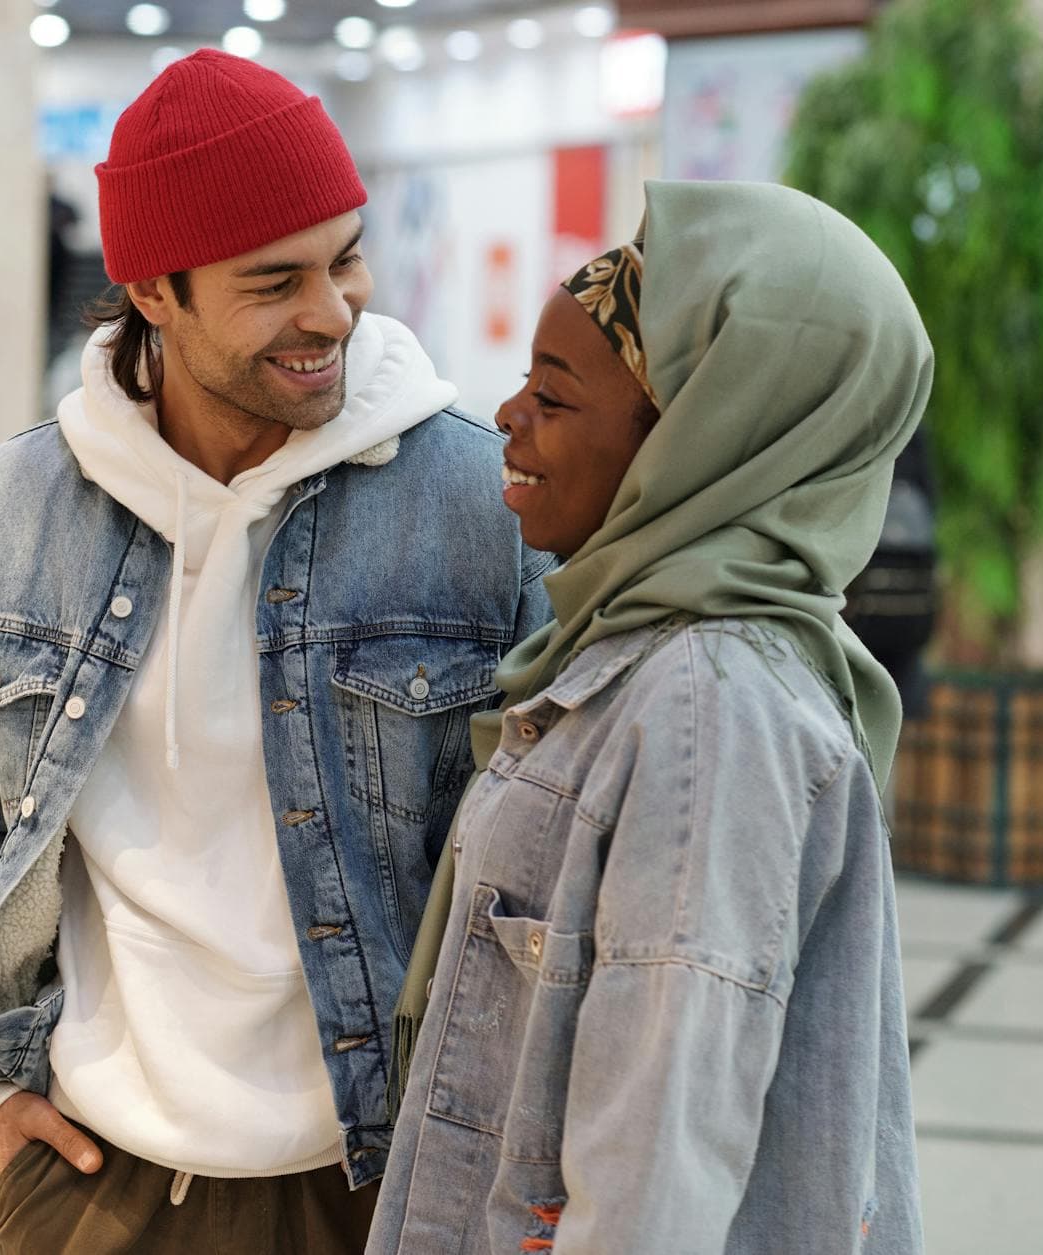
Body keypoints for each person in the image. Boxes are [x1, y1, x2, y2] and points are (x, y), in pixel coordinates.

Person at [0, 49, 552, 1255]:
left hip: (387, 1177)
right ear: (155, 290)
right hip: (98, 1183)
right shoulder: (23, 504)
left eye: (343, 256)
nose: (331, 311)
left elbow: (566, 850)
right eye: (273, 281)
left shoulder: (476, 501)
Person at [368, 180, 931, 1255]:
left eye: (556, 394)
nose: (505, 414)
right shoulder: (627, 653)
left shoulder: (711, 709)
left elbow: (652, 1164)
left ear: (691, 441)